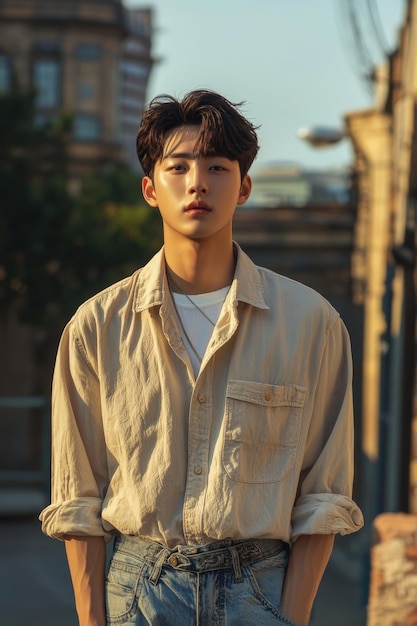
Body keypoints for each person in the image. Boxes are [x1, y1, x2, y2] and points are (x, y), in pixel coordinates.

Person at [40, 89, 364, 626]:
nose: (197, 183)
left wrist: (291, 617)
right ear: (150, 188)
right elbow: (79, 498)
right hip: (139, 591)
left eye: (217, 166)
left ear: (244, 187)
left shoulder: (312, 323)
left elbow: (323, 495)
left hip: (259, 590)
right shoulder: (96, 327)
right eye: (179, 167)